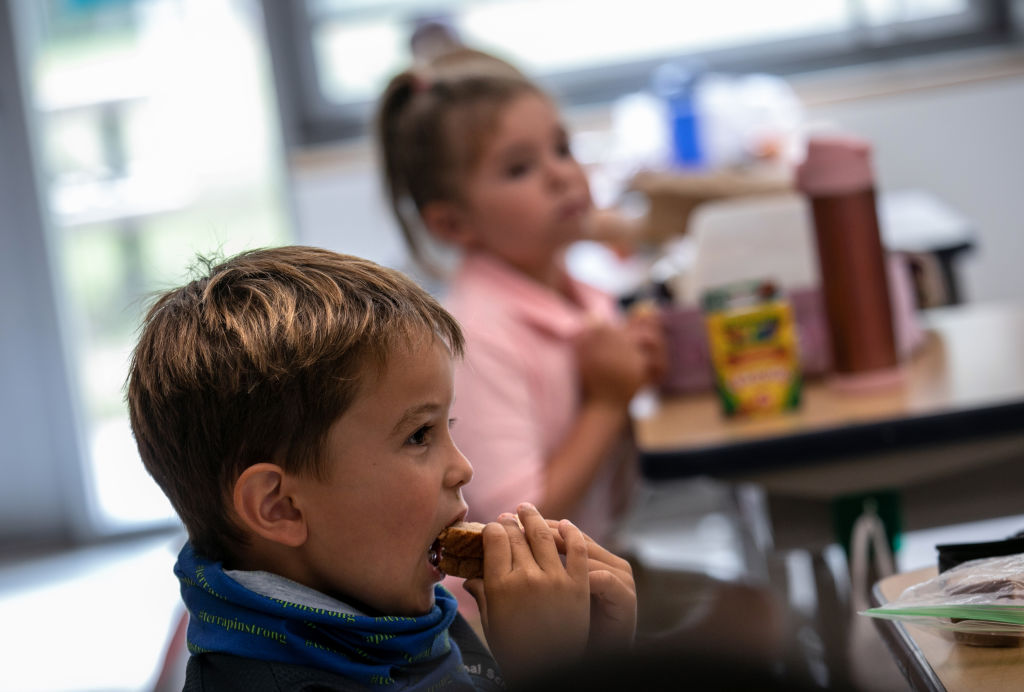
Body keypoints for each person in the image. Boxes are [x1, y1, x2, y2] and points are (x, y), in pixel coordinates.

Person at [126, 246, 637, 691]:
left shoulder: (393, 613)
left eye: (447, 427)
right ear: (280, 506)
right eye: (419, 436)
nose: (462, 468)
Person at [374, 56, 667, 560]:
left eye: (562, 148)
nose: (561, 175)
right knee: (759, 617)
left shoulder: (584, 292)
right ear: (452, 224)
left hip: (593, 559)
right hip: (524, 616)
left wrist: (644, 376)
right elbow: (518, 530)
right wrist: (608, 402)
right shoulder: (473, 338)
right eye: (519, 168)